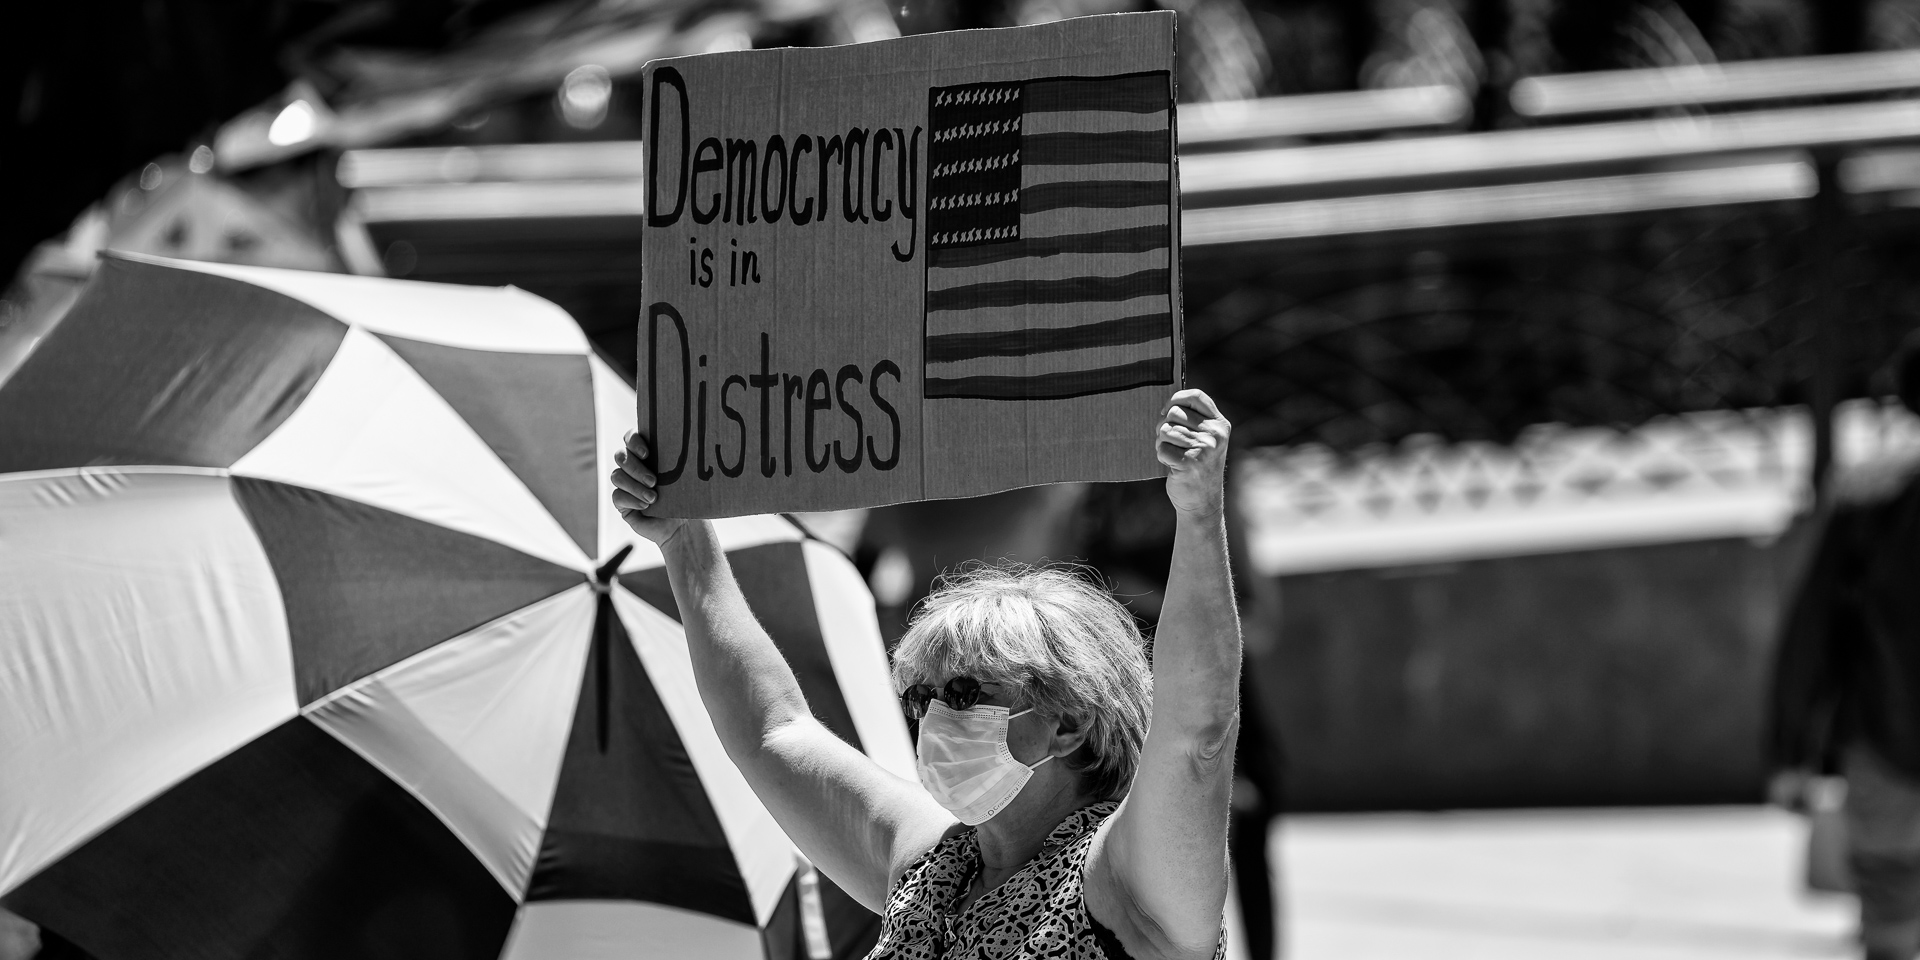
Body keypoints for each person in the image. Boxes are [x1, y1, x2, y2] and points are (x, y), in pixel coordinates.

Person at [611, 389, 1240, 960]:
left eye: (964, 693)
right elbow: (773, 730)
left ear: (1068, 723)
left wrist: (1198, 512)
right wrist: (685, 540)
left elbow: (1198, 735)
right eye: (921, 697)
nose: (934, 717)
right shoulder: (931, 868)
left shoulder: (1132, 882)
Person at [1770, 341, 1920, 960]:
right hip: (1884, 740)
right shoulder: (1871, 505)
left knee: (1892, 915)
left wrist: (1790, 752)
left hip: (1885, 742)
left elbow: (1813, 636)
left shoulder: (1871, 503)